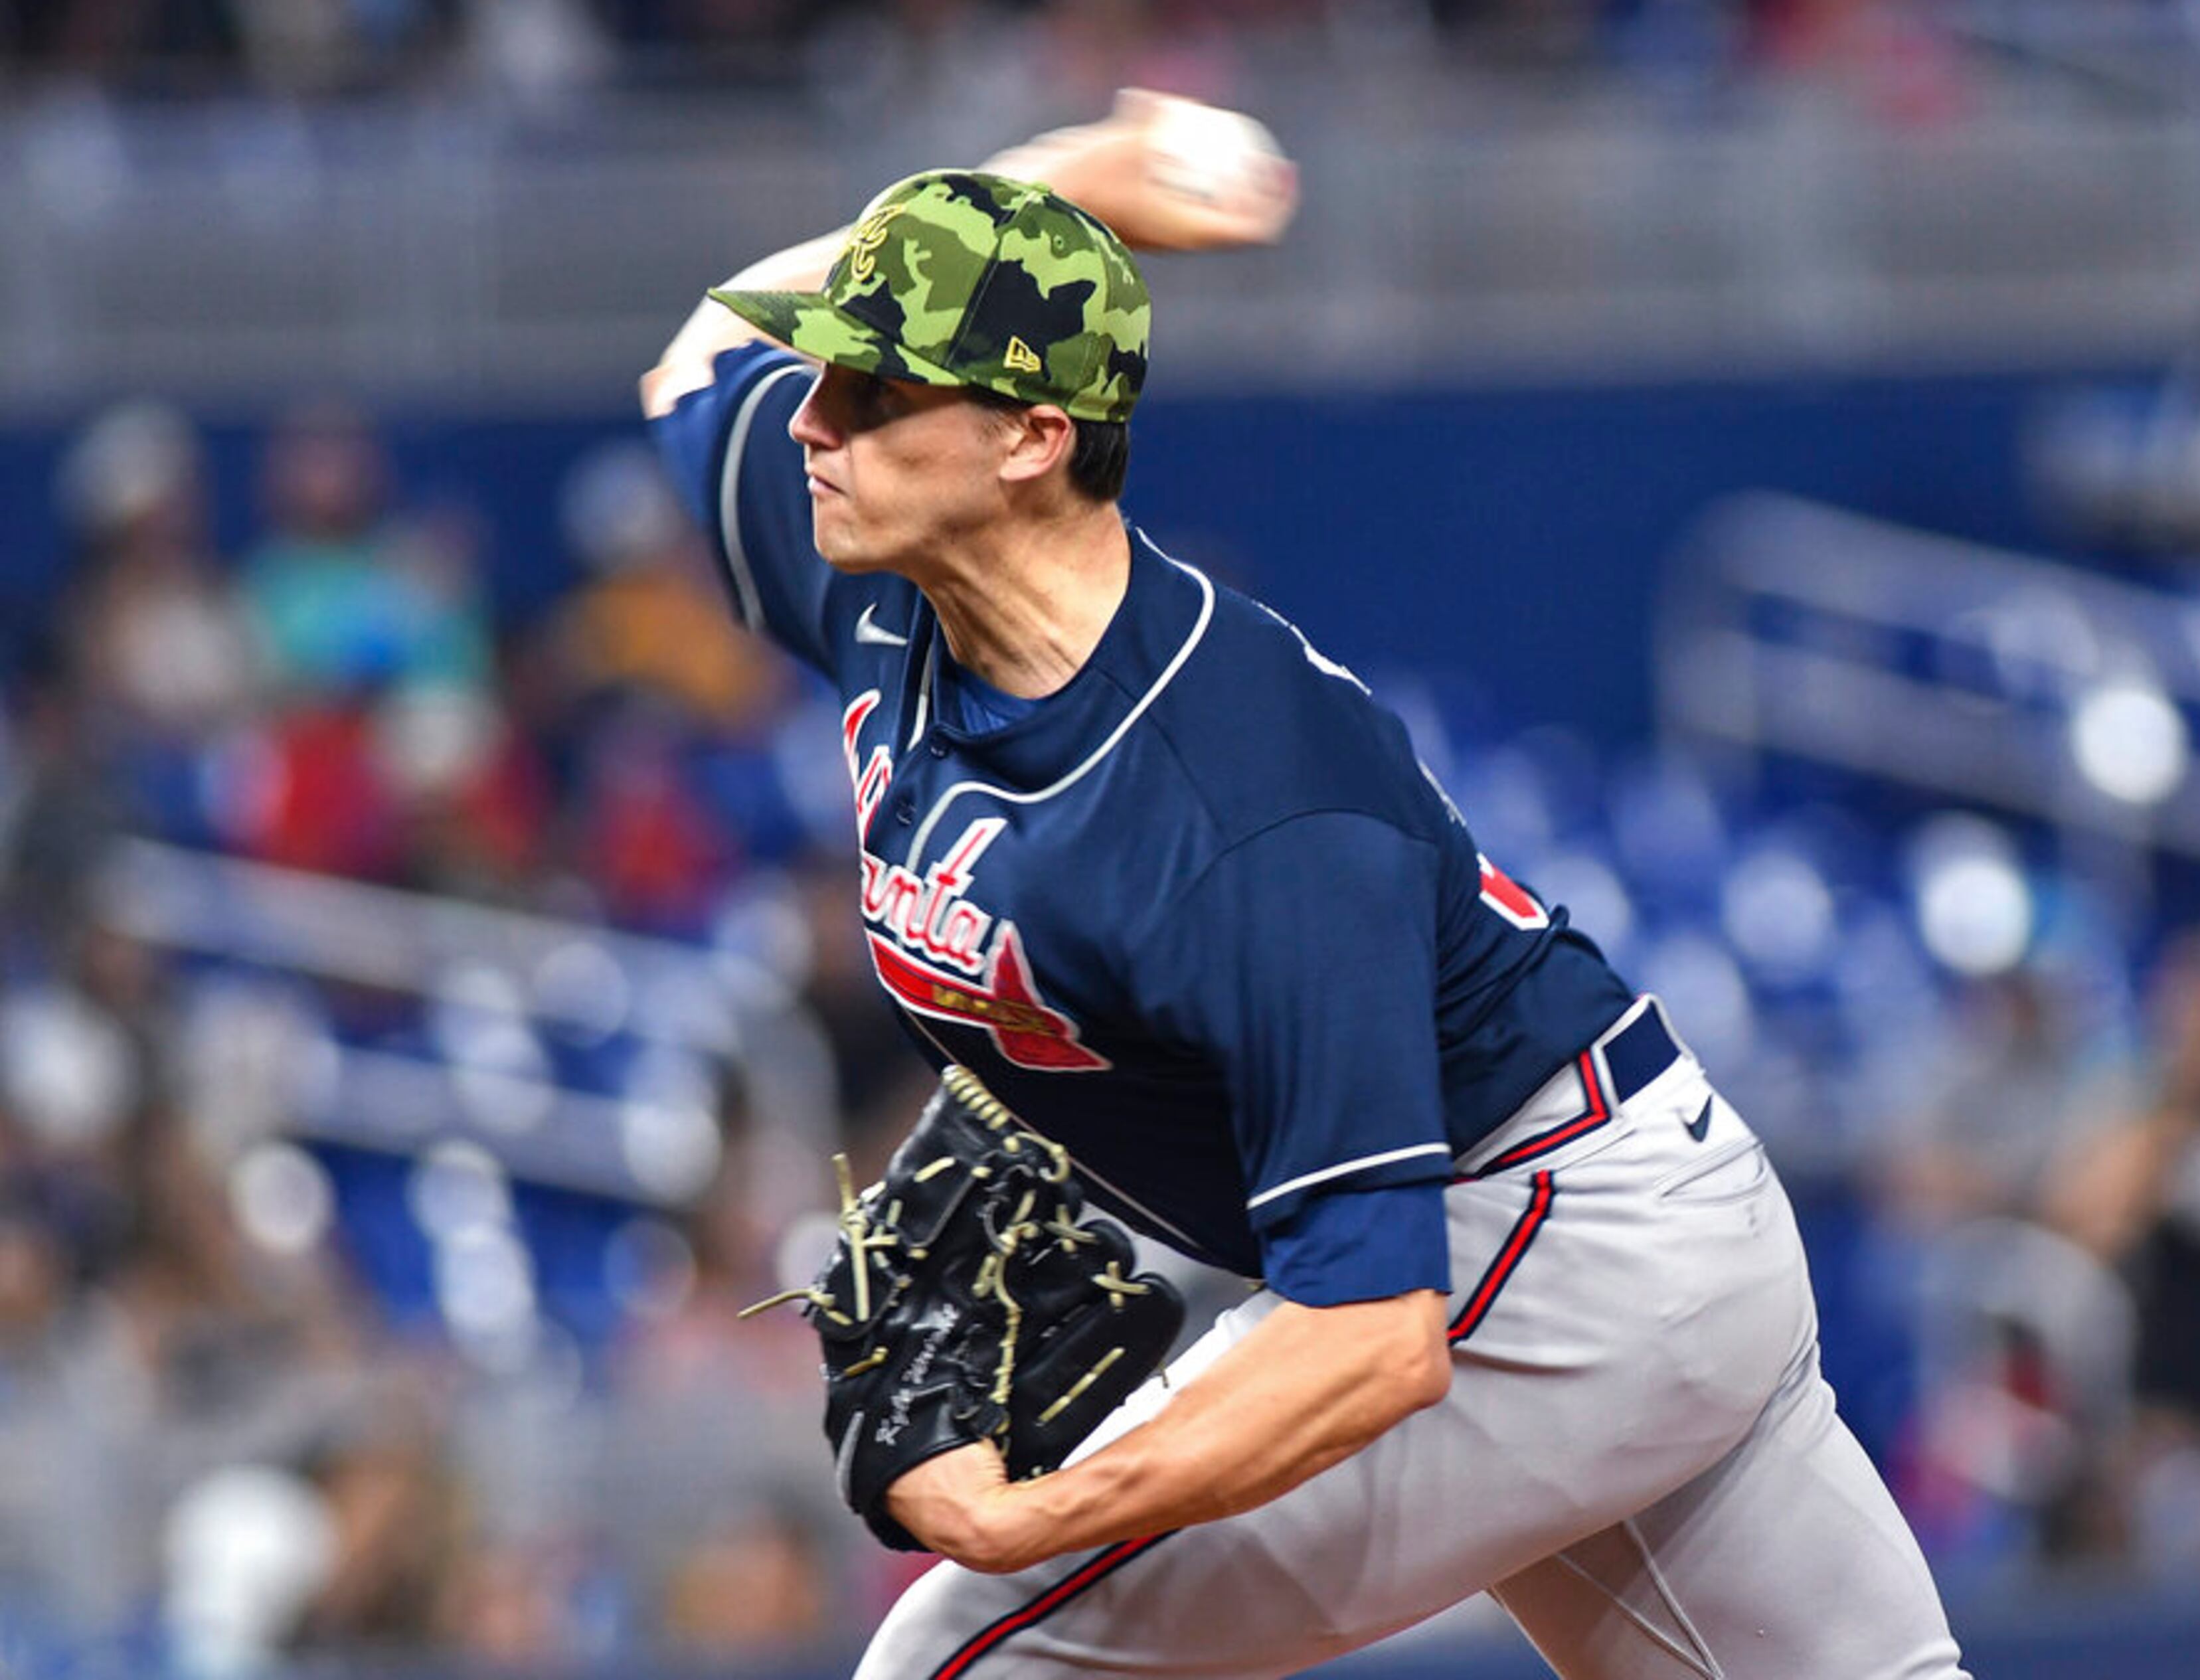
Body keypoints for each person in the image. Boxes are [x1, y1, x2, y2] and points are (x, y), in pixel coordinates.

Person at [641, 92, 1966, 1680]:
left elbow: (1375, 1339)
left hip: (1549, 1241)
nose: (813, 418)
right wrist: (1071, 188)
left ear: (1030, 438)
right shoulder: (883, 577)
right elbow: (703, 354)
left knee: (961, 1657)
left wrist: (1035, 1515)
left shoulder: (1241, 804)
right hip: (1601, 1228)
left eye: (870, 381)